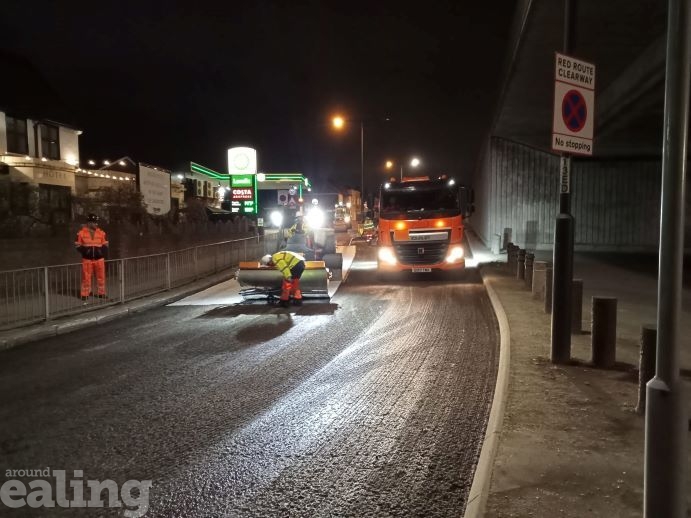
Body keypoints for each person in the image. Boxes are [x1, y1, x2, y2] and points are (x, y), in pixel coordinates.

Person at [75, 213, 109, 301]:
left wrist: (101, 253)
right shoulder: (81, 233)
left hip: (99, 259)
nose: (96, 224)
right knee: (86, 277)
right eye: (94, 222)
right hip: (87, 259)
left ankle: (101, 293)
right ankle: (85, 294)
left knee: (101, 277)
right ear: (89, 223)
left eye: (96, 222)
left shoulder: (102, 233)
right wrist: (86, 251)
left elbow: (106, 245)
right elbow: (77, 245)